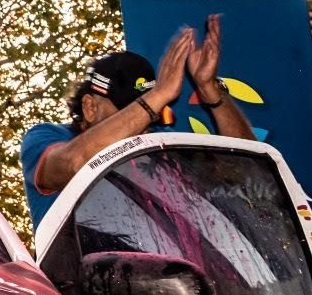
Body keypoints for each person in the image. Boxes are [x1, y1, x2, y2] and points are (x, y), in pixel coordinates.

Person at [19, 16, 254, 228]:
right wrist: (157, 96)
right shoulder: (46, 137)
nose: (142, 125)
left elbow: (244, 172)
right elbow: (74, 164)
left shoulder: (159, 144)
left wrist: (210, 89)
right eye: (130, 112)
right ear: (90, 107)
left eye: (152, 114)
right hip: (76, 274)